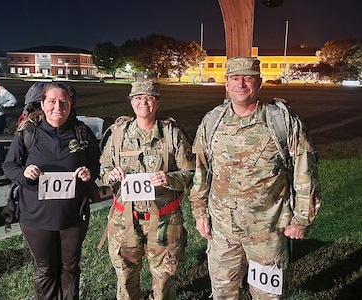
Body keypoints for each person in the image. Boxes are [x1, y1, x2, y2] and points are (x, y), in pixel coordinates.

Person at [189, 57, 322, 299]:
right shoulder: (212, 121)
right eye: (234, 78)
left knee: (267, 296)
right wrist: (200, 213)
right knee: (222, 293)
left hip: (267, 232)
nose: (241, 84)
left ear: (258, 83)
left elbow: (305, 171)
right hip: (222, 230)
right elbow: (202, 170)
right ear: (226, 85)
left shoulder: (281, 121)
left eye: (248, 78)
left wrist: (302, 219)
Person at [2, 82, 101, 300]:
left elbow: (97, 164)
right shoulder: (28, 133)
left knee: (70, 268)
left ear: (70, 104)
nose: (58, 107)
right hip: (36, 217)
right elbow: (9, 166)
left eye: (63, 102)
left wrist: (89, 173)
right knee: (45, 269)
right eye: (52, 102)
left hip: (72, 216)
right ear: (43, 104)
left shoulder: (82, 133)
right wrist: (24, 174)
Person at [99, 80, 195, 299]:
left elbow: (190, 173)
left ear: (157, 102)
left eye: (149, 98)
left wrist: (169, 178)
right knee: (125, 277)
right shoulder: (117, 135)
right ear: (131, 103)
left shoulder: (172, 135)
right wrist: (110, 175)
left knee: (165, 278)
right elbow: (104, 169)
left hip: (164, 221)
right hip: (124, 221)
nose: (143, 102)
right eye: (138, 98)